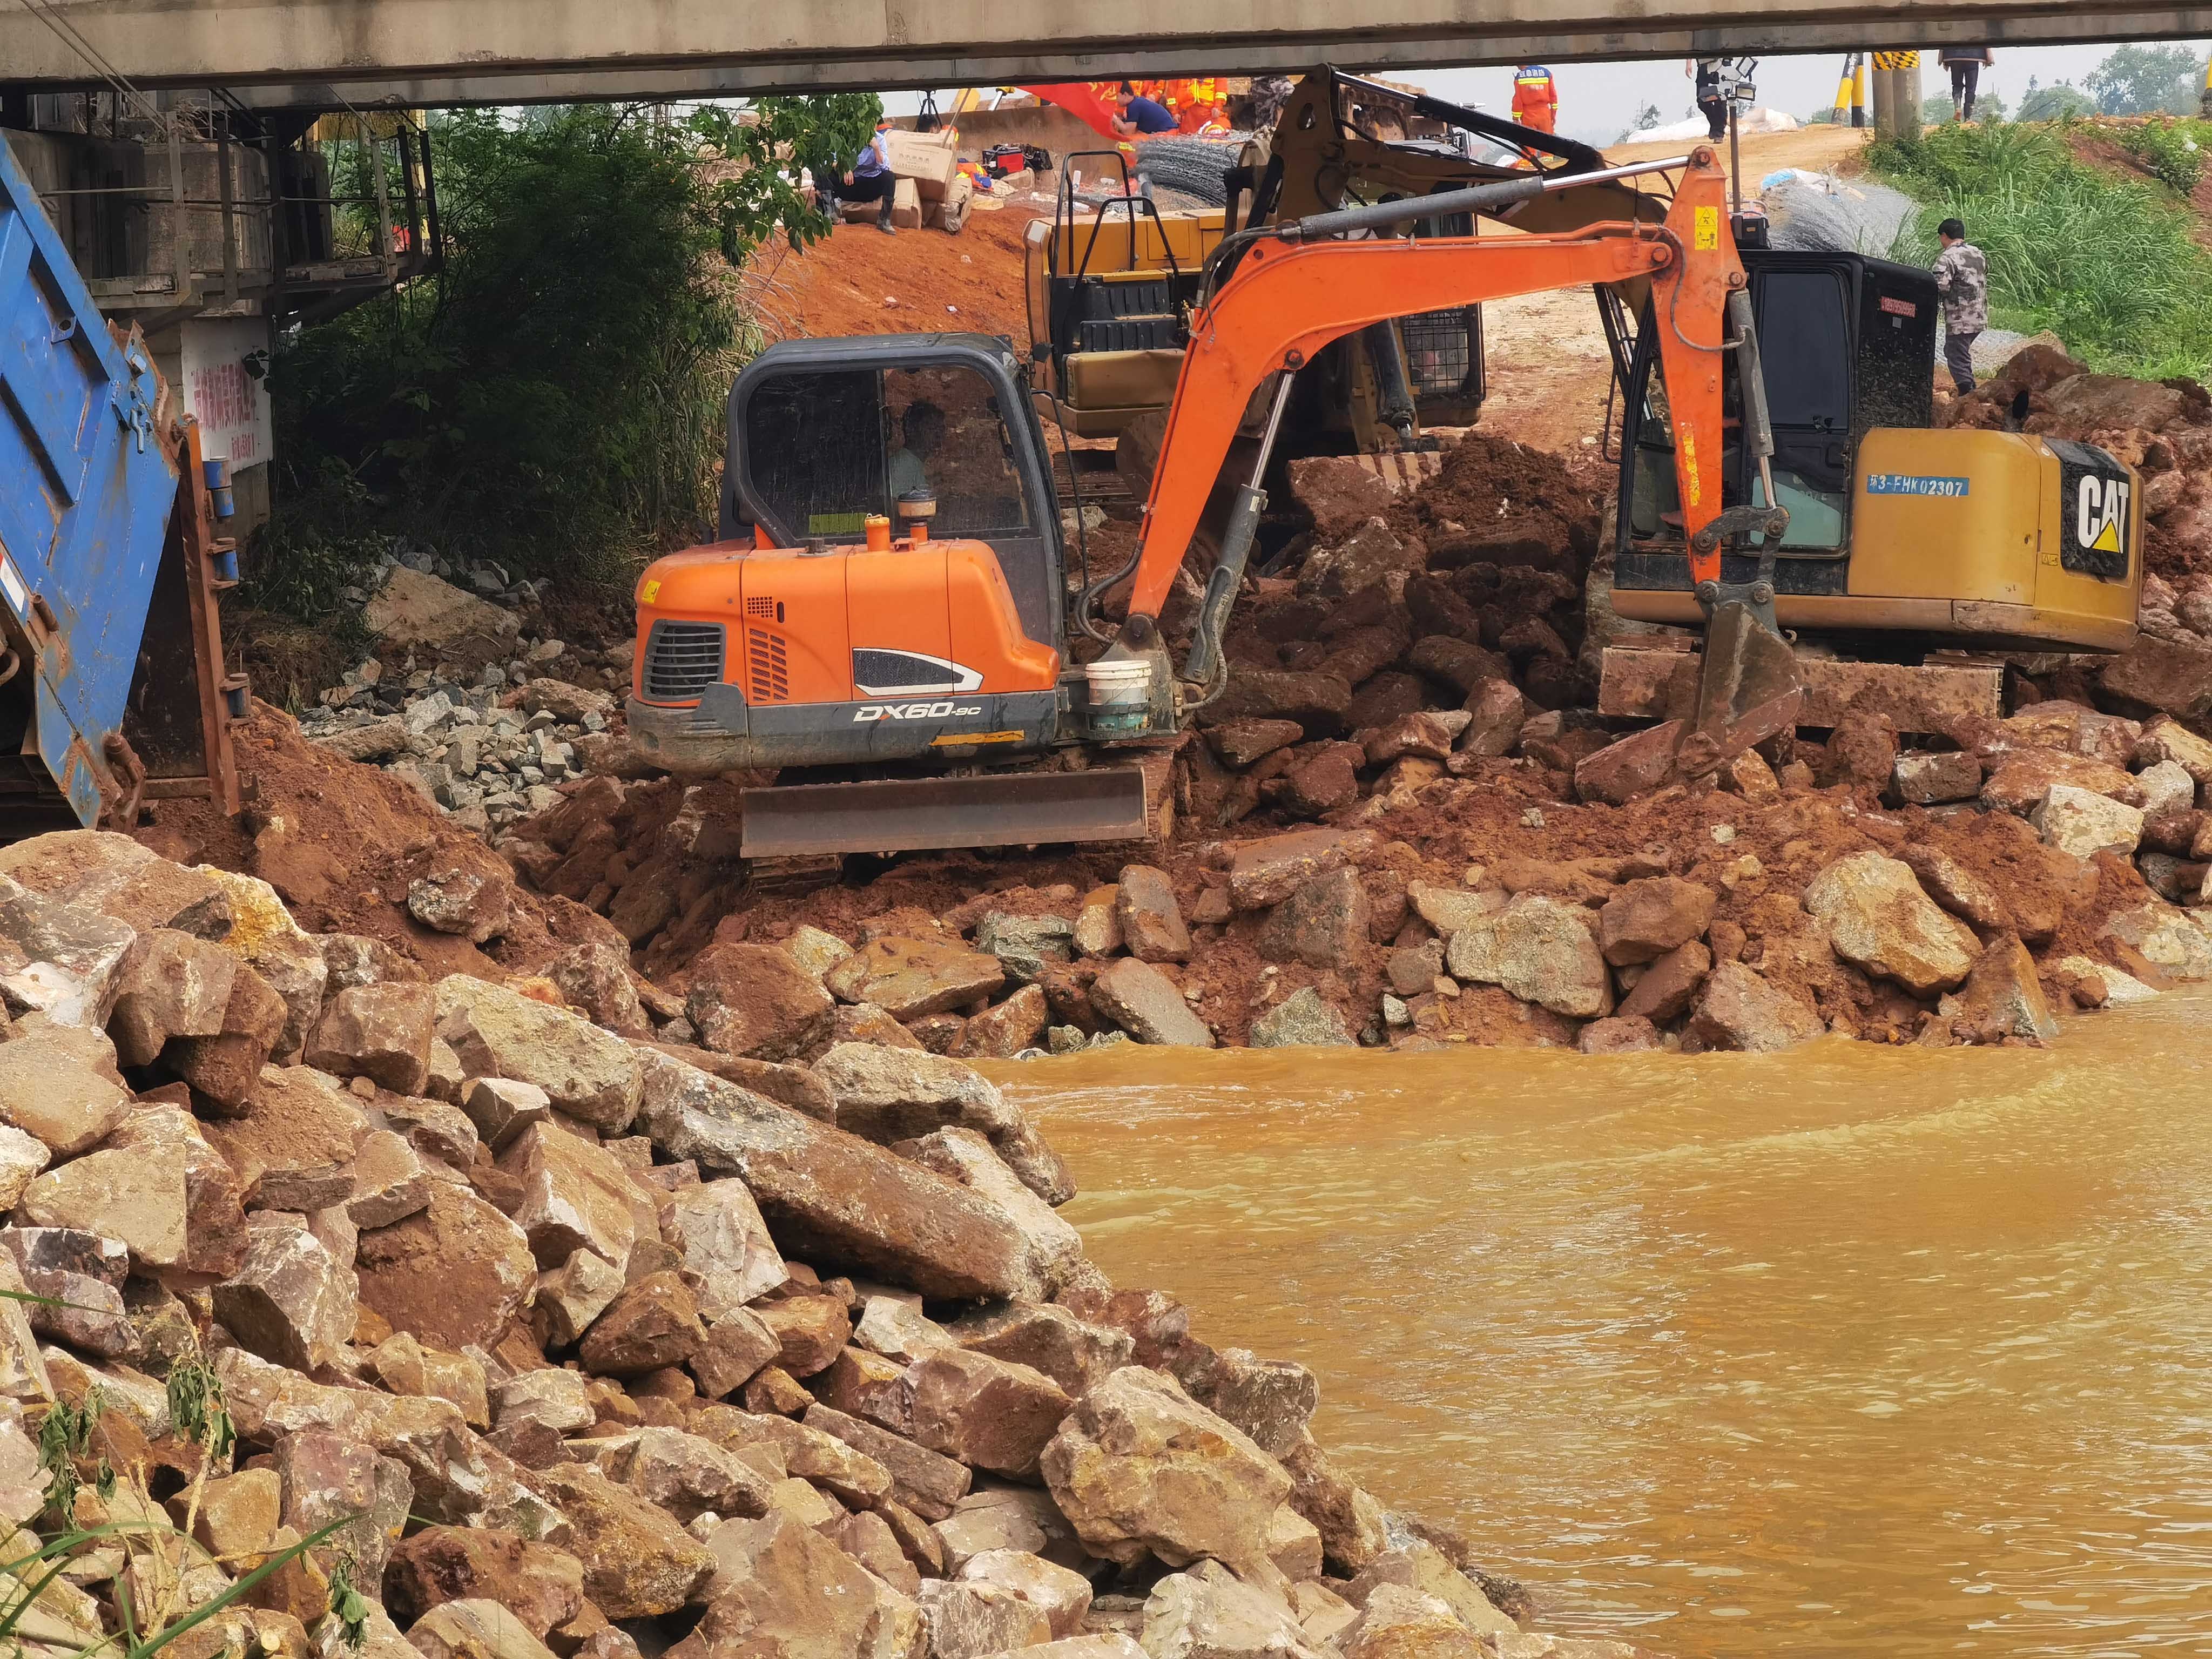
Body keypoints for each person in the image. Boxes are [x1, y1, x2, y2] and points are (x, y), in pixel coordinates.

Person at [1932, 218, 1988, 394]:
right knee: (1957, 351)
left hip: (1961, 318)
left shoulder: (1947, 257)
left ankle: (1968, 393)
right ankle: (1970, 390)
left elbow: (1939, 286)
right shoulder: (1978, 253)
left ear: (1944, 236)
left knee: (1956, 354)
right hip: (1979, 315)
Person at [837, 119, 900, 235]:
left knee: (889, 177)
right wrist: (844, 167)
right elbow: (828, 161)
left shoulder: (880, 139)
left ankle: (884, 220)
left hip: (871, 185)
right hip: (851, 183)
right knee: (827, 174)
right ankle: (830, 213)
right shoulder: (848, 138)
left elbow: (885, 166)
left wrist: (876, 148)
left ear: (875, 126)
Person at [889, 400, 945, 500]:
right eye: (932, 428)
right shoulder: (904, 465)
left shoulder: (914, 463)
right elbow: (897, 509)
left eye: (941, 429)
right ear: (913, 430)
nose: (938, 435)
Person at [1940, 45, 1994, 122]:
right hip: (1973, 56)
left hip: (1954, 56)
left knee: (1957, 85)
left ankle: (1958, 108)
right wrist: (1988, 57)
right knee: (1971, 88)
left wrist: (1944, 58)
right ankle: (1968, 118)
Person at [1110, 82, 1180, 138]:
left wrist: (1113, 117)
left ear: (1125, 95)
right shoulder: (1137, 102)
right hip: (1171, 132)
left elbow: (1128, 132)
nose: (1116, 100)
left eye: (1117, 96)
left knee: (1131, 140)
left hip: (1167, 135)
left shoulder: (1134, 106)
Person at [1510, 63, 1558, 133]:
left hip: (1528, 115)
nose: (1518, 68)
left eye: (1518, 66)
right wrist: (1553, 115)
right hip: (1545, 114)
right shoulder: (1547, 73)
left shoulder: (1519, 77)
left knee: (1529, 141)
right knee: (1548, 141)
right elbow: (1553, 96)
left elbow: (1518, 100)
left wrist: (1516, 118)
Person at [1689, 58, 1727, 141]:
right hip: (1703, 66)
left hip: (1720, 65)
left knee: (1720, 100)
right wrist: (1689, 63)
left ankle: (1719, 134)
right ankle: (1715, 127)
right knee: (1702, 101)